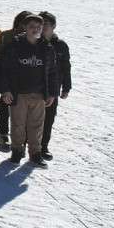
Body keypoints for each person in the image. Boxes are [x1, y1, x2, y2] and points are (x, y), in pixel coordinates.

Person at [0, 13, 58, 166]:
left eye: (39, 27)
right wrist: (5, 90)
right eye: (32, 27)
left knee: (37, 125)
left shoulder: (46, 47)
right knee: (18, 124)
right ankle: (17, 151)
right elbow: (3, 70)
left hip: (38, 94)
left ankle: (35, 153)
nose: (36, 30)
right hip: (19, 93)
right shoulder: (15, 45)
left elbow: (52, 72)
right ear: (25, 27)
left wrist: (52, 93)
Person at [39, 11, 71, 161]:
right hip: (33, 86)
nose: (43, 27)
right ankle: (25, 143)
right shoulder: (33, 42)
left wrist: (66, 87)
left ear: (54, 26)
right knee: (30, 117)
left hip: (52, 88)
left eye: (47, 24)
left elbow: (66, 67)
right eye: (42, 23)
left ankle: (43, 146)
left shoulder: (61, 46)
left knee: (48, 118)